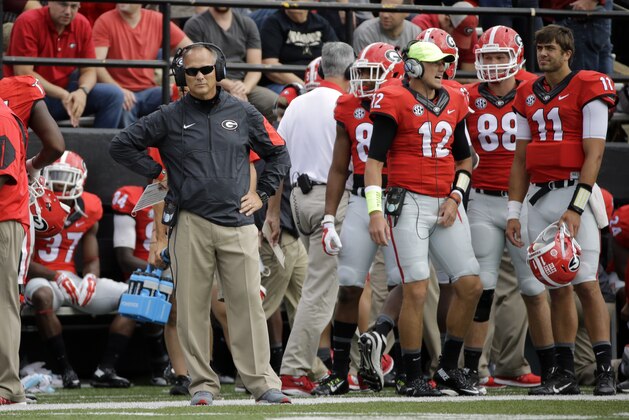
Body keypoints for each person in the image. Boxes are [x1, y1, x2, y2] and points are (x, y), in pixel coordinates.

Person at [109, 43, 291, 406]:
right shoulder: (168, 116)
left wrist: (263, 193)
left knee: (247, 307)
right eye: (192, 72)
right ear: (181, 76)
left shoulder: (243, 111)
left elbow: (279, 152)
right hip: (189, 223)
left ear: (219, 70)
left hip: (238, 223)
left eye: (207, 69)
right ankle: (202, 384)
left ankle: (261, 383)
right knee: (192, 309)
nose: (200, 77)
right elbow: (121, 144)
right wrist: (157, 172)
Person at [365, 40, 483, 396]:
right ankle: (412, 376)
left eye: (444, 62)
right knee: (415, 288)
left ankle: (448, 369)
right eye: (433, 63)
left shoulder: (454, 96)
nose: (442, 68)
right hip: (408, 202)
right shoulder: (394, 97)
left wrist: (456, 195)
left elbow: (465, 160)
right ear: (413, 67)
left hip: (445, 204)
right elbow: (374, 164)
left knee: (470, 284)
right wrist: (374, 211)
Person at [506, 24, 617, 396]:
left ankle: (604, 371)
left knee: (586, 283)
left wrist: (577, 206)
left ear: (568, 52)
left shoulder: (588, 86)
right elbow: (520, 158)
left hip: (575, 193)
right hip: (538, 196)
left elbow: (595, 153)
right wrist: (513, 210)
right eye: (540, 48)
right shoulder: (526, 92)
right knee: (555, 288)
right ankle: (565, 372)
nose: (544, 54)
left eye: (551, 48)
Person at [310, 42, 405, 396]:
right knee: (349, 285)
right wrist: (328, 218)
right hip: (362, 196)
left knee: (408, 283)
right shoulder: (348, 105)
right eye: (360, 73)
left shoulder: (408, 101)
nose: (363, 82)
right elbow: (339, 167)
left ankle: (400, 361)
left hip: (400, 198)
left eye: (372, 74)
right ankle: (339, 372)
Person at [463, 25, 551, 390]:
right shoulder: (466, 96)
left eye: (501, 56)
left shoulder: (536, 90)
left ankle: (553, 369)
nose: (495, 64)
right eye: (488, 57)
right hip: (481, 199)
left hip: (526, 200)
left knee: (533, 287)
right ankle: (473, 369)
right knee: (482, 287)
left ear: (517, 58)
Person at [276, 42, 355, 396]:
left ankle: (337, 365)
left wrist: (274, 213)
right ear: (350, 72)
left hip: (297, 197)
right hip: (332, 199)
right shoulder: (345, 104)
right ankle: (294, 370)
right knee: (320, 290)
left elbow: (276, 157)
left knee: (321, 287)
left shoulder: (296, 103)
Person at [24, 151, 132, 389]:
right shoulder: (31, 201)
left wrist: (91, 278)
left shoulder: (90, 206)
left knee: (133, 297)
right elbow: (23, 260)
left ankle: (105, 370)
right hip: (39, 278)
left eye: (66, 177)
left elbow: (92, 257)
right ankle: (65, 370)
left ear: (80, 180)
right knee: (43, 296)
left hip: (71, 278)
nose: (60, 183)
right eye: (55, 176)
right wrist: (56, 276)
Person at [7, 2, 124, 128]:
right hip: (31, 95)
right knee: (29, 94)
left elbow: (89, 69)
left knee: (114, 95)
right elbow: (24, 72)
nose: (68, 11)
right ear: (50, 2)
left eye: (73, 6)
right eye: (63, 5)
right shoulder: (28, 21)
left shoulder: (82, 23)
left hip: (66, 92)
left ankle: (102, 147)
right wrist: (63, 94)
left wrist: (82, 92)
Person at [92, 4, 192, 128]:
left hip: (150, 91)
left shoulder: (157, 19)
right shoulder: (105, 20)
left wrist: (182, 79)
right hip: (120, 93)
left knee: (178, 95)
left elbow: (191, 50)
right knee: (120, 102)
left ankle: (180, 145)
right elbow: (96, 64)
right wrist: (118, 89)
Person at [184, 6, 278, 122]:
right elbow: (196, 67)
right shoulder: (195, 24)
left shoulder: (247, 23)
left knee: (273, 102)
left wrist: (245, 88)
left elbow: (255, 67)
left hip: (243, 84)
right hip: (208, 83)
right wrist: (231, 86)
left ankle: (258, 138)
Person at [0, 101, 29, 406]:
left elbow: (2, 174)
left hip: (3, 219)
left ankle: (7, 386)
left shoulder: (1, 118)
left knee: (2, 302)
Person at [260, 0, 339, 93]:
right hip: (285, 84)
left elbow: (337, 56)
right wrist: (304, 87)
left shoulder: (321, 23)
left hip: (320, 84)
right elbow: (270, 64)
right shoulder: (273, 23)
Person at [411, 1, 479, 73]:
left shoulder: (468, 31)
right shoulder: (422, 24)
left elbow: (469, 76)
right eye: (457, 34)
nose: (459, 43)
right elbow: (425, 71)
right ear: (446, 20)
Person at [352, 0, 421, 52]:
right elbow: (361, 70)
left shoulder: (415, 32)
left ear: (407, 12)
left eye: (392, 10)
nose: (385, 15)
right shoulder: (365, 32)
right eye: (382, 8)